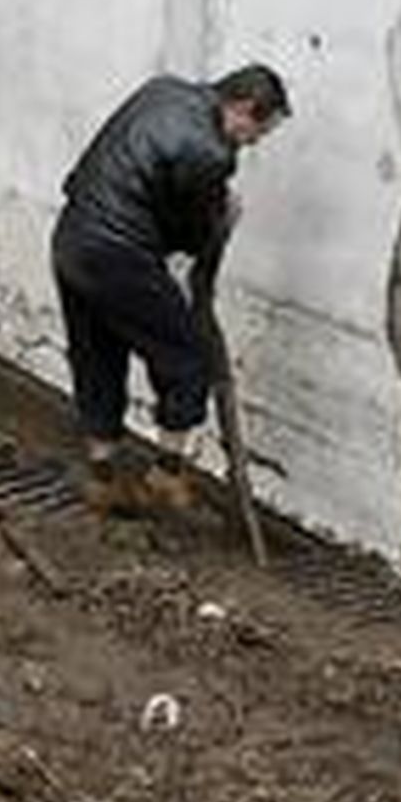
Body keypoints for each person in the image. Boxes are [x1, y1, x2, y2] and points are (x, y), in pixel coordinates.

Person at [51, 63, 290, 514]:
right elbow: (188, 236)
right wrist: (222, 220)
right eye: (257, 131)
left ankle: (101, 478)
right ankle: (166, 472)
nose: (253, 143)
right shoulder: (211, 152)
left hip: (71, 236)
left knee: (96, 352)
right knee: (187, 357)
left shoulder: (162, 89)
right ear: (240, 108)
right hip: (116, 256)